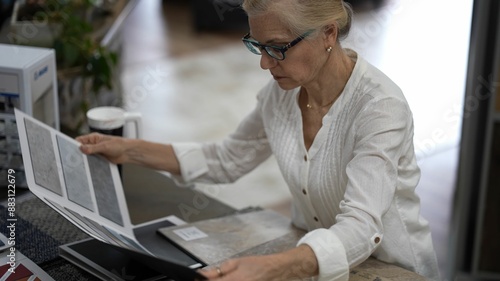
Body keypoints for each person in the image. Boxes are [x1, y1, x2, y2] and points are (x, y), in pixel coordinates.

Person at [77, 0, 440, 280]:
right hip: (312, 257)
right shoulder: (282, 93)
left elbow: (362, 227)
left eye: (278, 47)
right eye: (258, 45)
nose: (265, 64)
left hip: (390, 268)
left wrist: (271, 268)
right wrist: (128, 150)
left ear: (328, 33)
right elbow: (228, 158)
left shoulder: (379, 108)